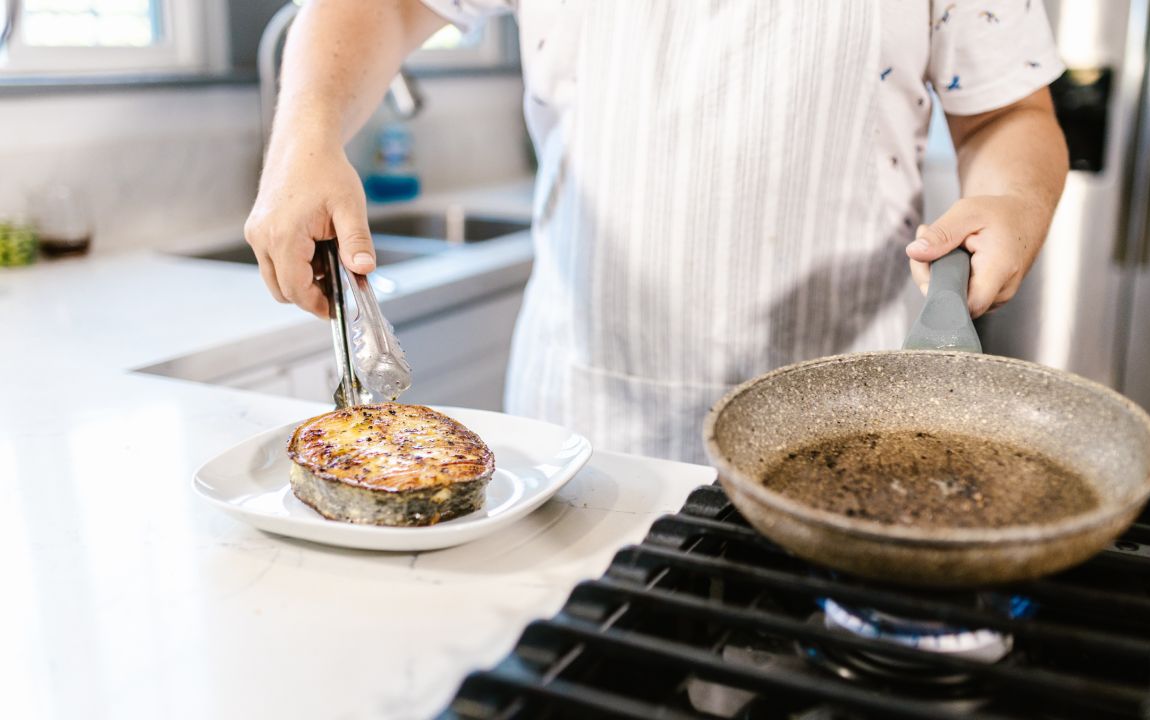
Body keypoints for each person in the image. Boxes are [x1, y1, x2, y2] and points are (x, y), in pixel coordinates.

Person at [246, 0, 1068, 463]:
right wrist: (304, 136)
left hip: (849, 426)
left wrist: (1012, 200)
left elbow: (1007, 113)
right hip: (586, 430)